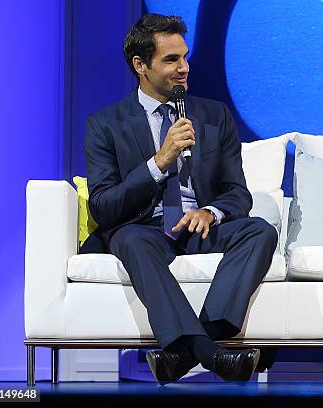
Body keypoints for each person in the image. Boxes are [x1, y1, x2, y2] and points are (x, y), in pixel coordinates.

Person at [83, 13, 278, 383]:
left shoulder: (213, 115)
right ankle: (212, 354)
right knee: (128, 238)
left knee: (260, 231)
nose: (184, 68)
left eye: (184, 57)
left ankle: (189, 349)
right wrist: (158, 162)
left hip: (198, 229)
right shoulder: (105, 124)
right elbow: (104, 206)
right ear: (140, 65)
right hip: (146, 229)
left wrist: (211, 211)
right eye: (171, 60)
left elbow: (237, 192)